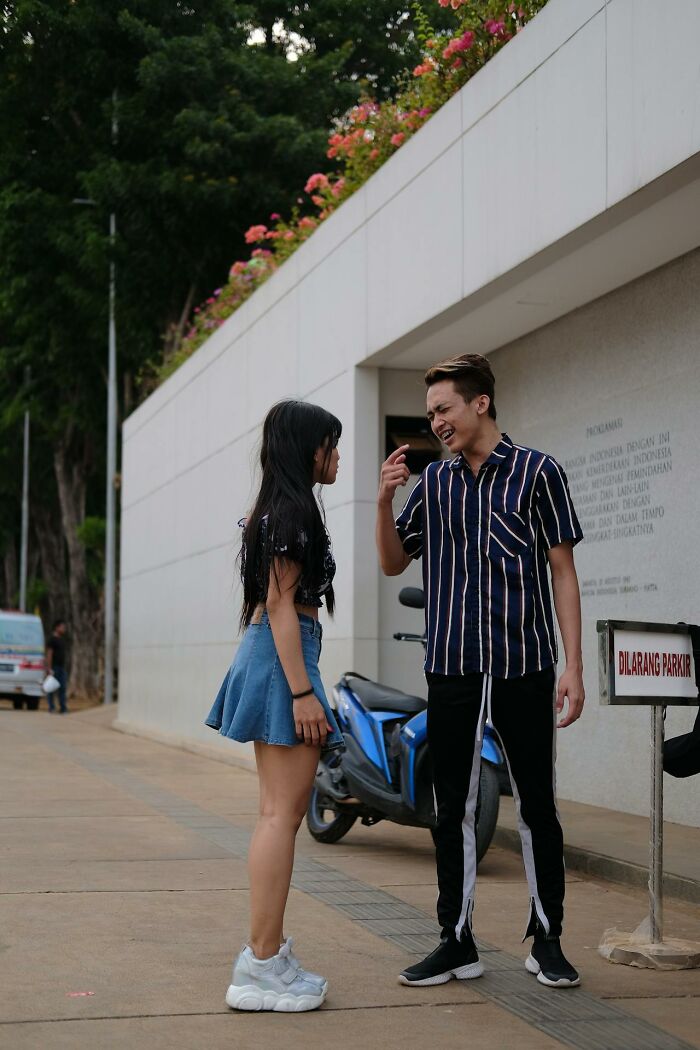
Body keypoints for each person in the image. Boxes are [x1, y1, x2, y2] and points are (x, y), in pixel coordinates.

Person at [376, 353, 585, 990]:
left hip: (524, 663)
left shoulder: (539, 473)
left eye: (444, 409)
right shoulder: (433, 485)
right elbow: (391, 564)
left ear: (480, 404)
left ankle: (546, 938)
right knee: (452, 809)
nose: (435, 422)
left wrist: (574, 666)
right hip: (452, 666)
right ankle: (456, 940)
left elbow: (563, 573)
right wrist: (384, 501)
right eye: (430, 412)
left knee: (538, 808)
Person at [205, 400, 344, 1013]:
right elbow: (283, 607)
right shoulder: (290, 511)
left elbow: (274, 605)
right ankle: (260, 966)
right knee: (279, 818)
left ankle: (264, 957)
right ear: (306, 450)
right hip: (283, 656)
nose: (335, 456)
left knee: (274, 815)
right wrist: (303, 691)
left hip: (275, 652)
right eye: (330, 446)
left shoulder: (279, 506)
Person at [46, 620, 69, 714]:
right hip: (54, 667)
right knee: (51, 688)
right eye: (62, 627)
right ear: (57, 627)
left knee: (62, 687)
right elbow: (49, 654)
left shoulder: (62, 640)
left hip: (61, 667)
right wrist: (49, 668)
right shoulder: (52, 639)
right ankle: (51, 707)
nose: (64, 629)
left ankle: (63, 707)